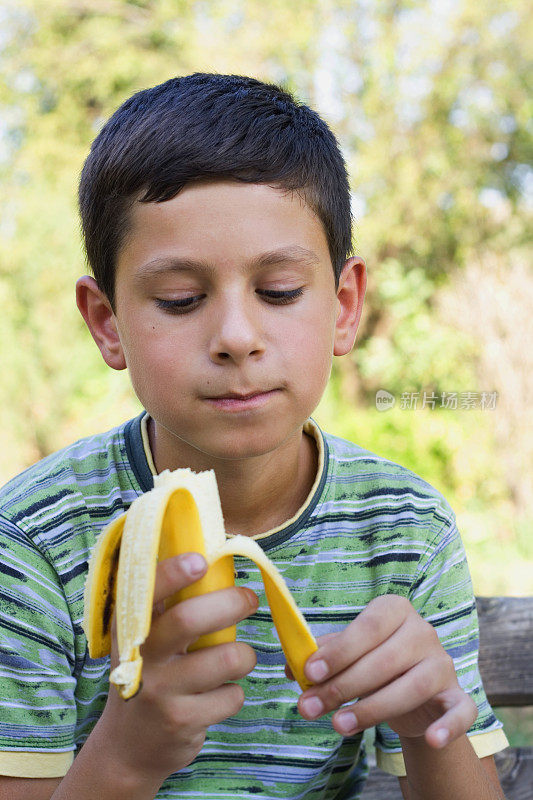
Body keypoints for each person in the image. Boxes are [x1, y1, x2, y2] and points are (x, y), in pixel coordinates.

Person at [0, 73, 508, 800]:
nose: (237, 337)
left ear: (343, 306)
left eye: (277, 292)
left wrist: (433, 722)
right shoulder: (32, 543)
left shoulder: (402, 530)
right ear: (107, 322)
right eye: (181, 300)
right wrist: (128, 755)